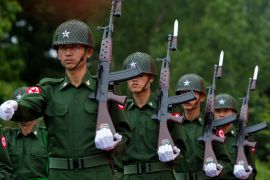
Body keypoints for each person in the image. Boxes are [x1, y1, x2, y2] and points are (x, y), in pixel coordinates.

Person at [0, 19, 131, 180]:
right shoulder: (49, 89)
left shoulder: (106, 88)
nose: (67, 53)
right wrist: (15, 108)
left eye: (74, 47)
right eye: (62, 48)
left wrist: (114, 143)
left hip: (97, 173)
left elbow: (125, 133)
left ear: (88, 52)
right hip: (60, 174)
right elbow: (30, 106)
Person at [119, 52, 179, 180]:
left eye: (139, 74)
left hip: (161, 175)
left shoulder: (166, 110)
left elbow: (182, 150)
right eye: (130, 75)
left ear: (151, 78)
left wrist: (173, 154)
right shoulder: (121, 111)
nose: (134, 79)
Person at [172, 73, 220, 179]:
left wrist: (218, 167)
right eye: (183, 94)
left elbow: (225, 160)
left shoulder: (212, 127)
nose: (186, 98)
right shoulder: (172, 126)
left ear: (202, 97)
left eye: (191, 93)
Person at [3, 87, 48, 180]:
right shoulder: (7, 136)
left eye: (26, 111)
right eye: (18, 112)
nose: (23, 117)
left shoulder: (47, 136)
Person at [214, 93, 256, 179]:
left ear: (234, 113)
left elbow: (253, 173)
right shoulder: (206, 136)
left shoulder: (245, 137)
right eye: (217, 111)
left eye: (226, 111)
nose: (221, 114)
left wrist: (246, 176)